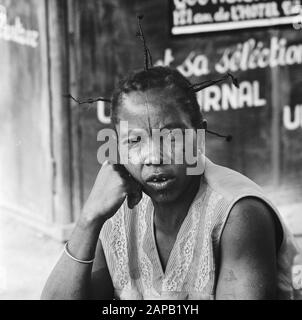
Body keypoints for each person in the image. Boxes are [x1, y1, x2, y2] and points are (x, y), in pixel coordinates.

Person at [41, 66, 299, 300]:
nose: (154, 156)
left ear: (199, 136)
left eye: (172, 137)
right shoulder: (114, 207)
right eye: (134, 141)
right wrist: (89, 219)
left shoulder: (238, 214)